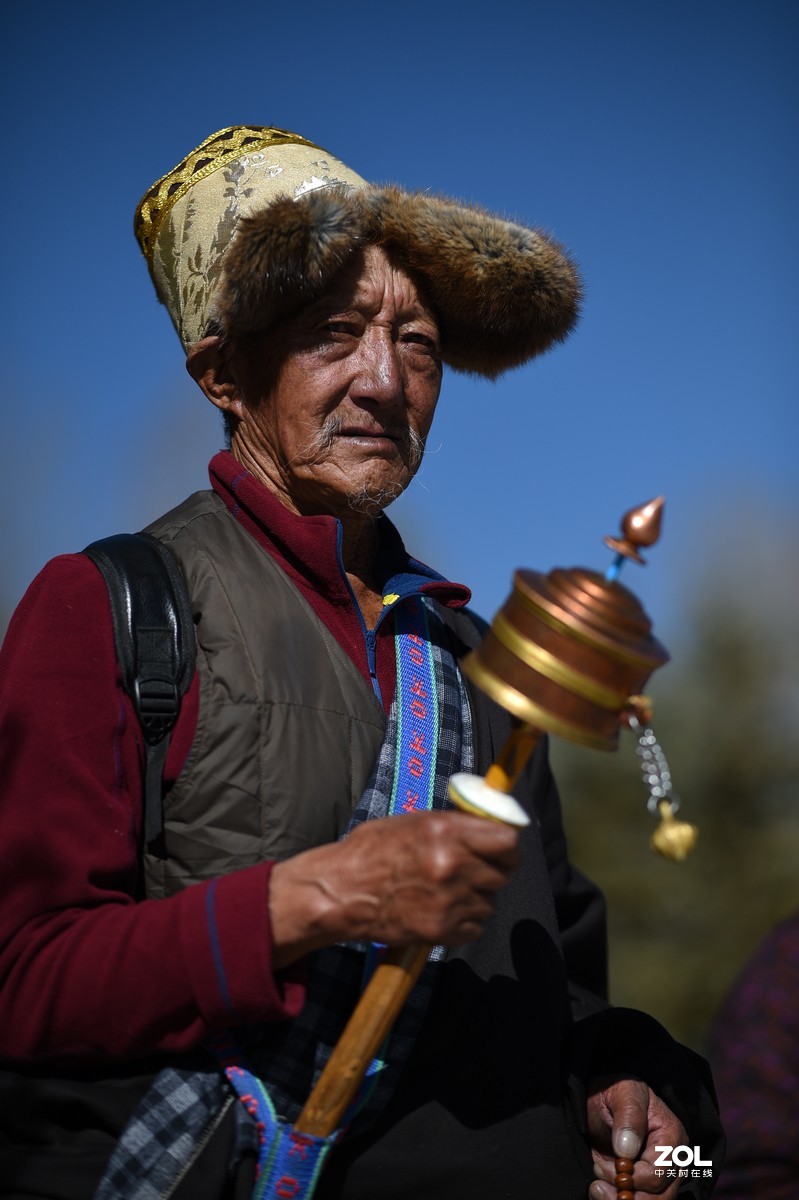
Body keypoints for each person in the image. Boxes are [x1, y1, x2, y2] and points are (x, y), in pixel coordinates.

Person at [0, 125, 723, 1200]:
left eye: (417, 342)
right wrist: (307, 902)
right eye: (333, 333)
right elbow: (24, 983)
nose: (385, 381)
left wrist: (625, 1077)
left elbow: (554, 990)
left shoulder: (478, 662)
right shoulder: (109, 606)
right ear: (224, 374)